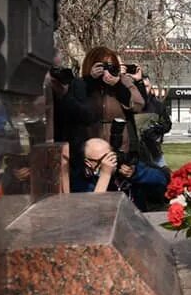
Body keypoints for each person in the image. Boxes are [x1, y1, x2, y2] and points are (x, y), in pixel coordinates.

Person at [59, 46, 144, 191]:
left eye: (110, 66)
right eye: (101, 66)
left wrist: (118, 84)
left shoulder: (122, 81)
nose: (106, 70)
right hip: (90, 149)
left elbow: (138, 105)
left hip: (119, 146)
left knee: (120, 187)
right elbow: (73, 109)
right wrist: (90, 80)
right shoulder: (81, 84)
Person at [77, 138, 169, 212]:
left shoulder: (124, 165)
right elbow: (92, 209)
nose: (112, 161)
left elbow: (161, 179)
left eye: (111, 155)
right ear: (88, 163)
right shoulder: (82, 181)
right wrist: (105, 175)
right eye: (105, 159)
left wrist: (136, 174)